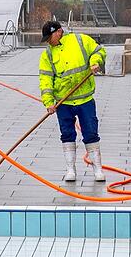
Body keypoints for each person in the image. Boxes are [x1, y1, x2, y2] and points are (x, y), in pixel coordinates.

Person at [38, 21, 107, 183]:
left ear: (58, 32)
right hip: (63, 103)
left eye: (49, 38)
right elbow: (45, 80)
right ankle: (70, 169)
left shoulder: (80, 40)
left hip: (85, 99)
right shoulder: (47, 54)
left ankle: (98, 169)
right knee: (67, 134)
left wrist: (95, 62)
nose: (48, 42)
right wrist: (48, 102)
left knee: (91, 132)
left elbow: (98, 51)